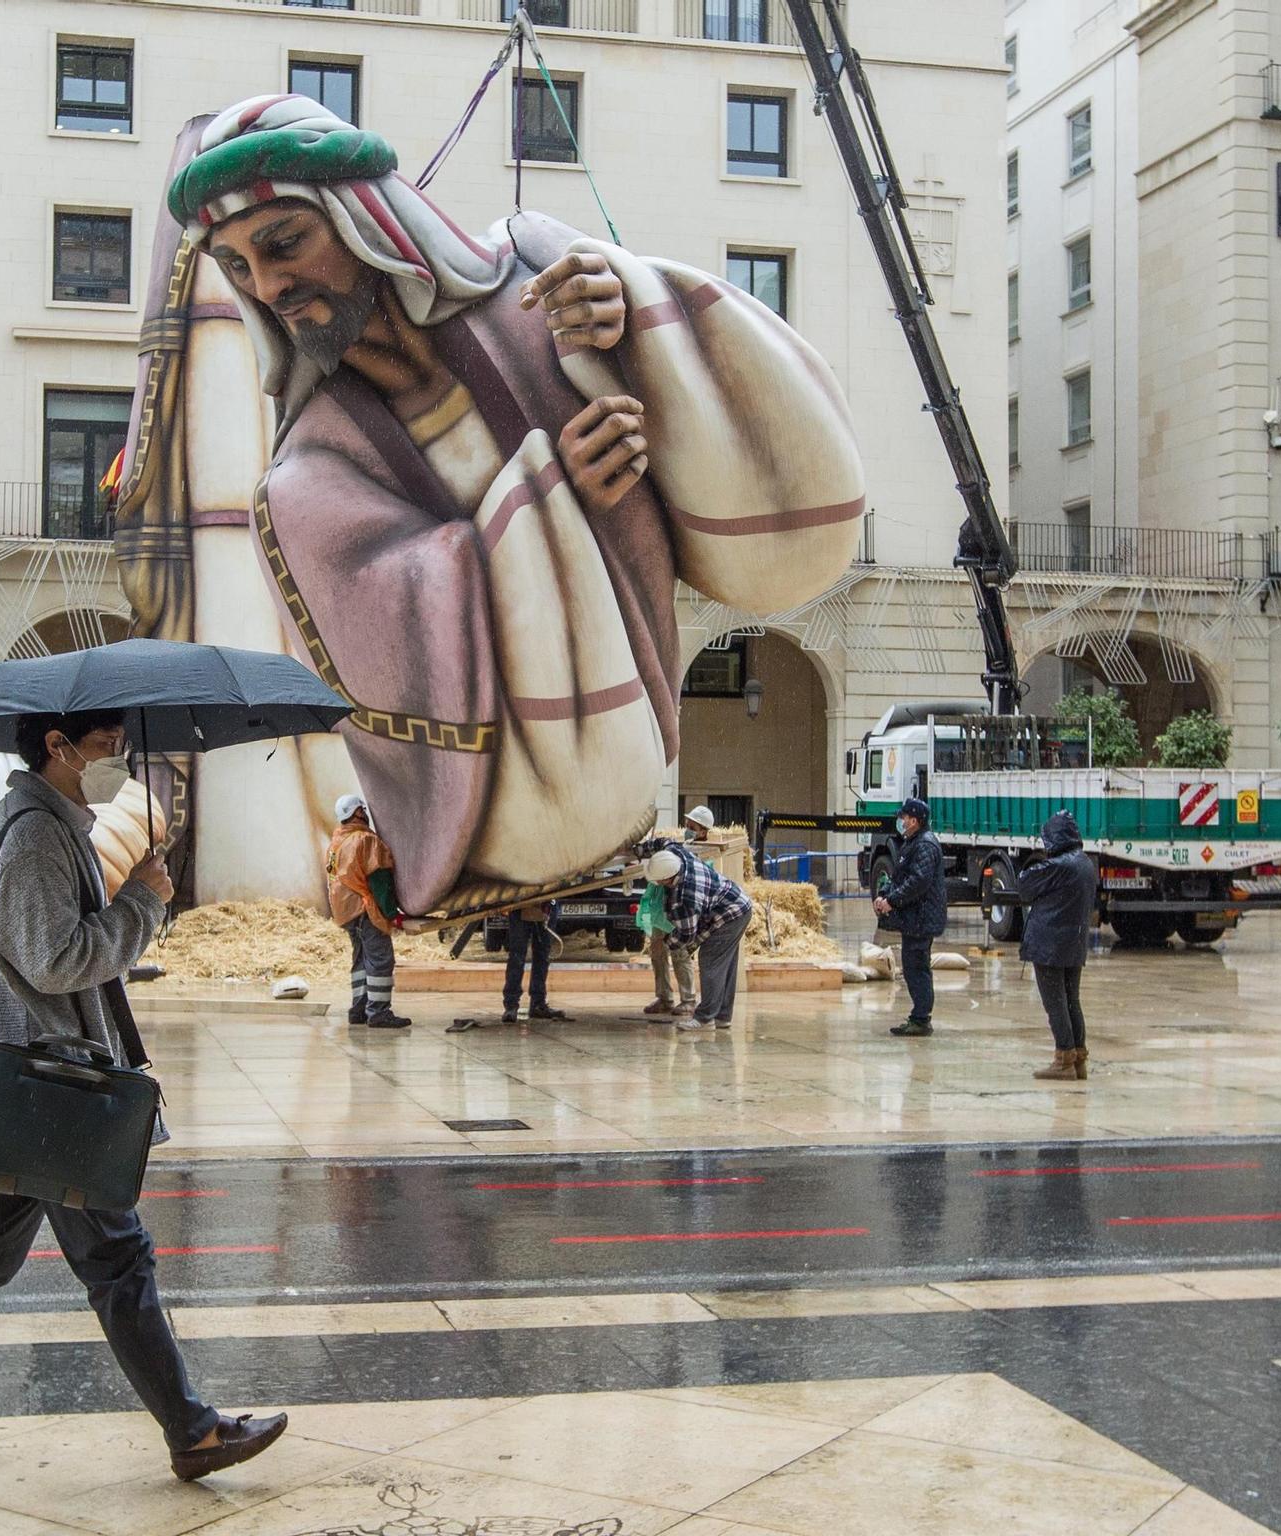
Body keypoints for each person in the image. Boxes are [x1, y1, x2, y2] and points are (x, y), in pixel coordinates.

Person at [156, 97, 864, 919]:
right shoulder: (310, 474)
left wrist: (629, 317)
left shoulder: (533, 275)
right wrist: (554, 498)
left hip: (632, 701)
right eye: (239, 268)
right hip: (526, 794)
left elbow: (697, 420)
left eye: (283, 243)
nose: (270, 284)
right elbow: (377, 620)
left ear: (363, 220)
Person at [0, 708, 288, 1482]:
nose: (118, 762)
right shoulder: (32, 831)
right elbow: (55, 959)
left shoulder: (48, 823)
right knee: (117, 1261)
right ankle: (192, 1433)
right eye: (106, 747)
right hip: (52, 1083)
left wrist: (130, 896)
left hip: (35, 1080)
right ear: (57, 748)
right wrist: (142, 905)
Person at [1019, 810, 1098, 1081]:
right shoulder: (1085, 863)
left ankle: (1063, 1058)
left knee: (1055, 1003)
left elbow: (1024, 884)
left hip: (1049, 943)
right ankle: (1078, 1057)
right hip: (1073, 941)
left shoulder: (1059, 866)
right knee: (1071, 999)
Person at [327, 793, 412, 1029]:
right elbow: (379, 880)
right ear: (357, 813)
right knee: (380, 960)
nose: (365, 813)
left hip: (345, 911)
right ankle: (379, 1012)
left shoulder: (338, 840)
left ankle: (359, 1009)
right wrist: (392, 913)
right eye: (362, 809)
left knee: (361, 960)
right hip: (364, 909)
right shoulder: (366, 841)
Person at [644, 846, 753, 1030]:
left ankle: (704, 1018)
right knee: (725, 965)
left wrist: (667, 941)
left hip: (729, 914)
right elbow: (668, 842)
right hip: (737, 904)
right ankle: (722, 1016)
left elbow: (686, 935)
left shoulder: (686, 897)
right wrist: (644, 848)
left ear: (667, 879)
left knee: (710, 961)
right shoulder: (680, 856)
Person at [873, 796, 947, 1038]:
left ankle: (921, 1019)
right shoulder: (914, 843)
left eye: (904, 817)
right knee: (914, 966)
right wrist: (885, 894)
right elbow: (901, 877)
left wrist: (893, 901)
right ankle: (918, 1016)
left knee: (917, 968)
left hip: (921, 919)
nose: (901, 821)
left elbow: (918, 882)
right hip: (915, 918)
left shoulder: (925, 845)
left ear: (914, 820)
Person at [644, 805, 715, 1017]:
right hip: (662, 910)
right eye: (687, 826)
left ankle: (688, 999)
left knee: (680, 953)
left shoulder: (706, 854)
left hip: (681, 911)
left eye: (692, 827)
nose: (687, 830)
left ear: (703, 831)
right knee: (657, 952)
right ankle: (664, 997)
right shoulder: (680, 846)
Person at [501, 901, 570, 1024]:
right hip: (521, 905)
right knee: (517, 956)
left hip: (547, 907)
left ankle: (538, 1004)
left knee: (542, 956)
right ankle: (511, 1005)